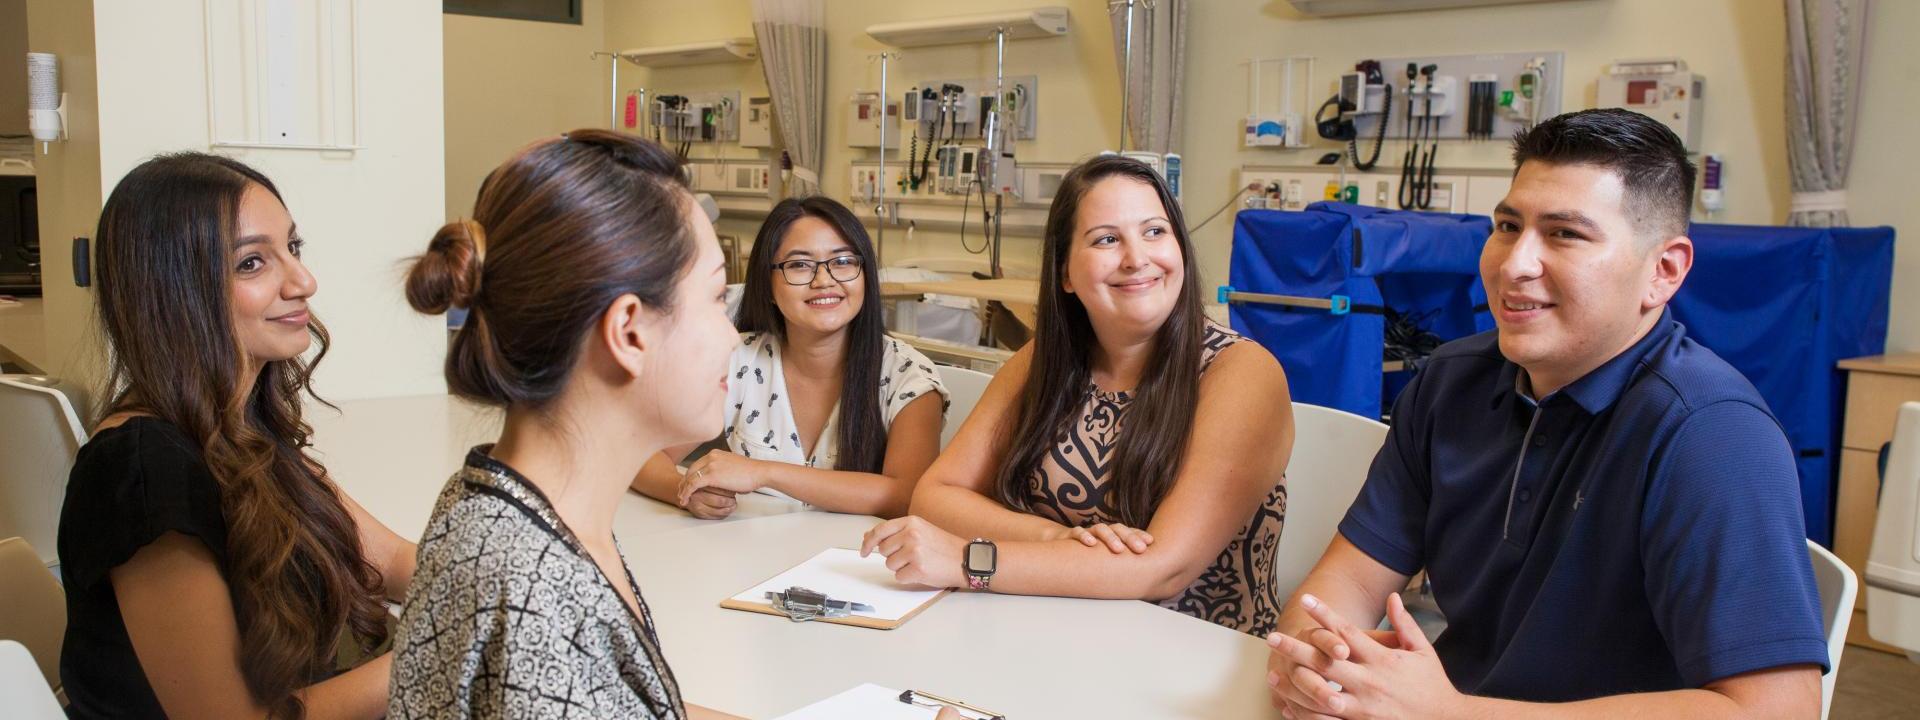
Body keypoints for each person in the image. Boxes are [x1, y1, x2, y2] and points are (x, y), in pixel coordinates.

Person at [1265, 109, 1828, 719]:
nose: (1513, 264)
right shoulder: (1450, 382)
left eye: (1565, 234)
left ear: (1663, 271)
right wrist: (1317, 660)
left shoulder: (1710, 432)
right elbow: (1347, 582)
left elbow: (1776, 709)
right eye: (1508, 225)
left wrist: (1451, 715)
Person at [389, 130, 744, 718]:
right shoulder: (531, 594)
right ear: (629, 332)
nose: (733, 334)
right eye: (715, 297)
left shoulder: (508, 503)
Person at [862, 154, 1295, 636]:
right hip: (1047, 630)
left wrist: (971, 561)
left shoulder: (1240, 372)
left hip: (1193, 660)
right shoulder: (1042, 361)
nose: (1137, 258)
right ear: (1065, 273)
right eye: (1107, 239)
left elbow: (1161, 569)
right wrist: (1059, 537)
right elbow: (935, 495)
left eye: (1155, 232)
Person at [58, 153, 414, 718]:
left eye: (292, 249)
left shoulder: (236, 428)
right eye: (252, 263)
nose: (304, 281)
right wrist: (435, 654)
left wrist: (505, 582)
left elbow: (390, 557)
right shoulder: (143, 470)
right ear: (176, 292)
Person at [630, 196, 947, 519]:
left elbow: (906, 496)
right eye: (799, 265)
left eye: (842, 262)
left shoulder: (909, 376)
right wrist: (685, 491)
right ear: (768, 284)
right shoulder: (738, 360)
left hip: (860, 562)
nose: (823, 281)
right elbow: (642, 453)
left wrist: (763, 472)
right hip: (754, 557)